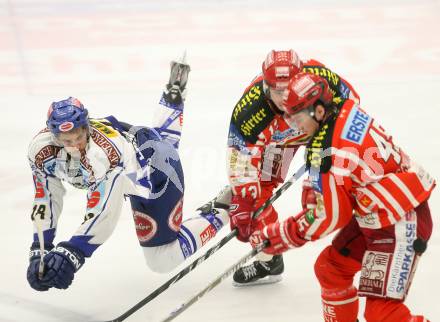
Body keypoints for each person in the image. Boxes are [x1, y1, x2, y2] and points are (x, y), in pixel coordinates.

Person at [26, 57, 231, 291]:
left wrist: (73, 252)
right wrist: (39, 249)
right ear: (53, 137)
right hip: (139, 142)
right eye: (67, 141)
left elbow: (103, 211)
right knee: (159, 140)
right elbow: (47, 198)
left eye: (80, 137)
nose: (75, 146)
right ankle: (173, 96)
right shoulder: (40, 150)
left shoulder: (105, 156)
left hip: (156, 174)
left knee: (162, 259)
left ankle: (224, 209)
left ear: (88, 129)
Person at [250, 72, 435, 321]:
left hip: (401, 221)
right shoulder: (341, 108)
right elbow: (345, 172)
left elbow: (332, 216)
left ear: (317, 110)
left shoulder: (333, 150)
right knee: (331, 269)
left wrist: (283, 234)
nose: (294, 127)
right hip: (381, 212)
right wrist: (317, 185)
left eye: (296, 118)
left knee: (381, 312)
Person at [227, 49, 360, 286]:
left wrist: (326, 143)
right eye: (276, 91)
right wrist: (244, 198)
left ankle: (363, 230)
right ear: (266, 86)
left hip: (318, 127)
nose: (282, 97)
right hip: (279, 141)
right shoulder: (251, 110)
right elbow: (240, 155)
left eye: (288, 88)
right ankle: (269, 260)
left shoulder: (318, 76)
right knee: (259, 191)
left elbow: (352, 102)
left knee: (330, 186)